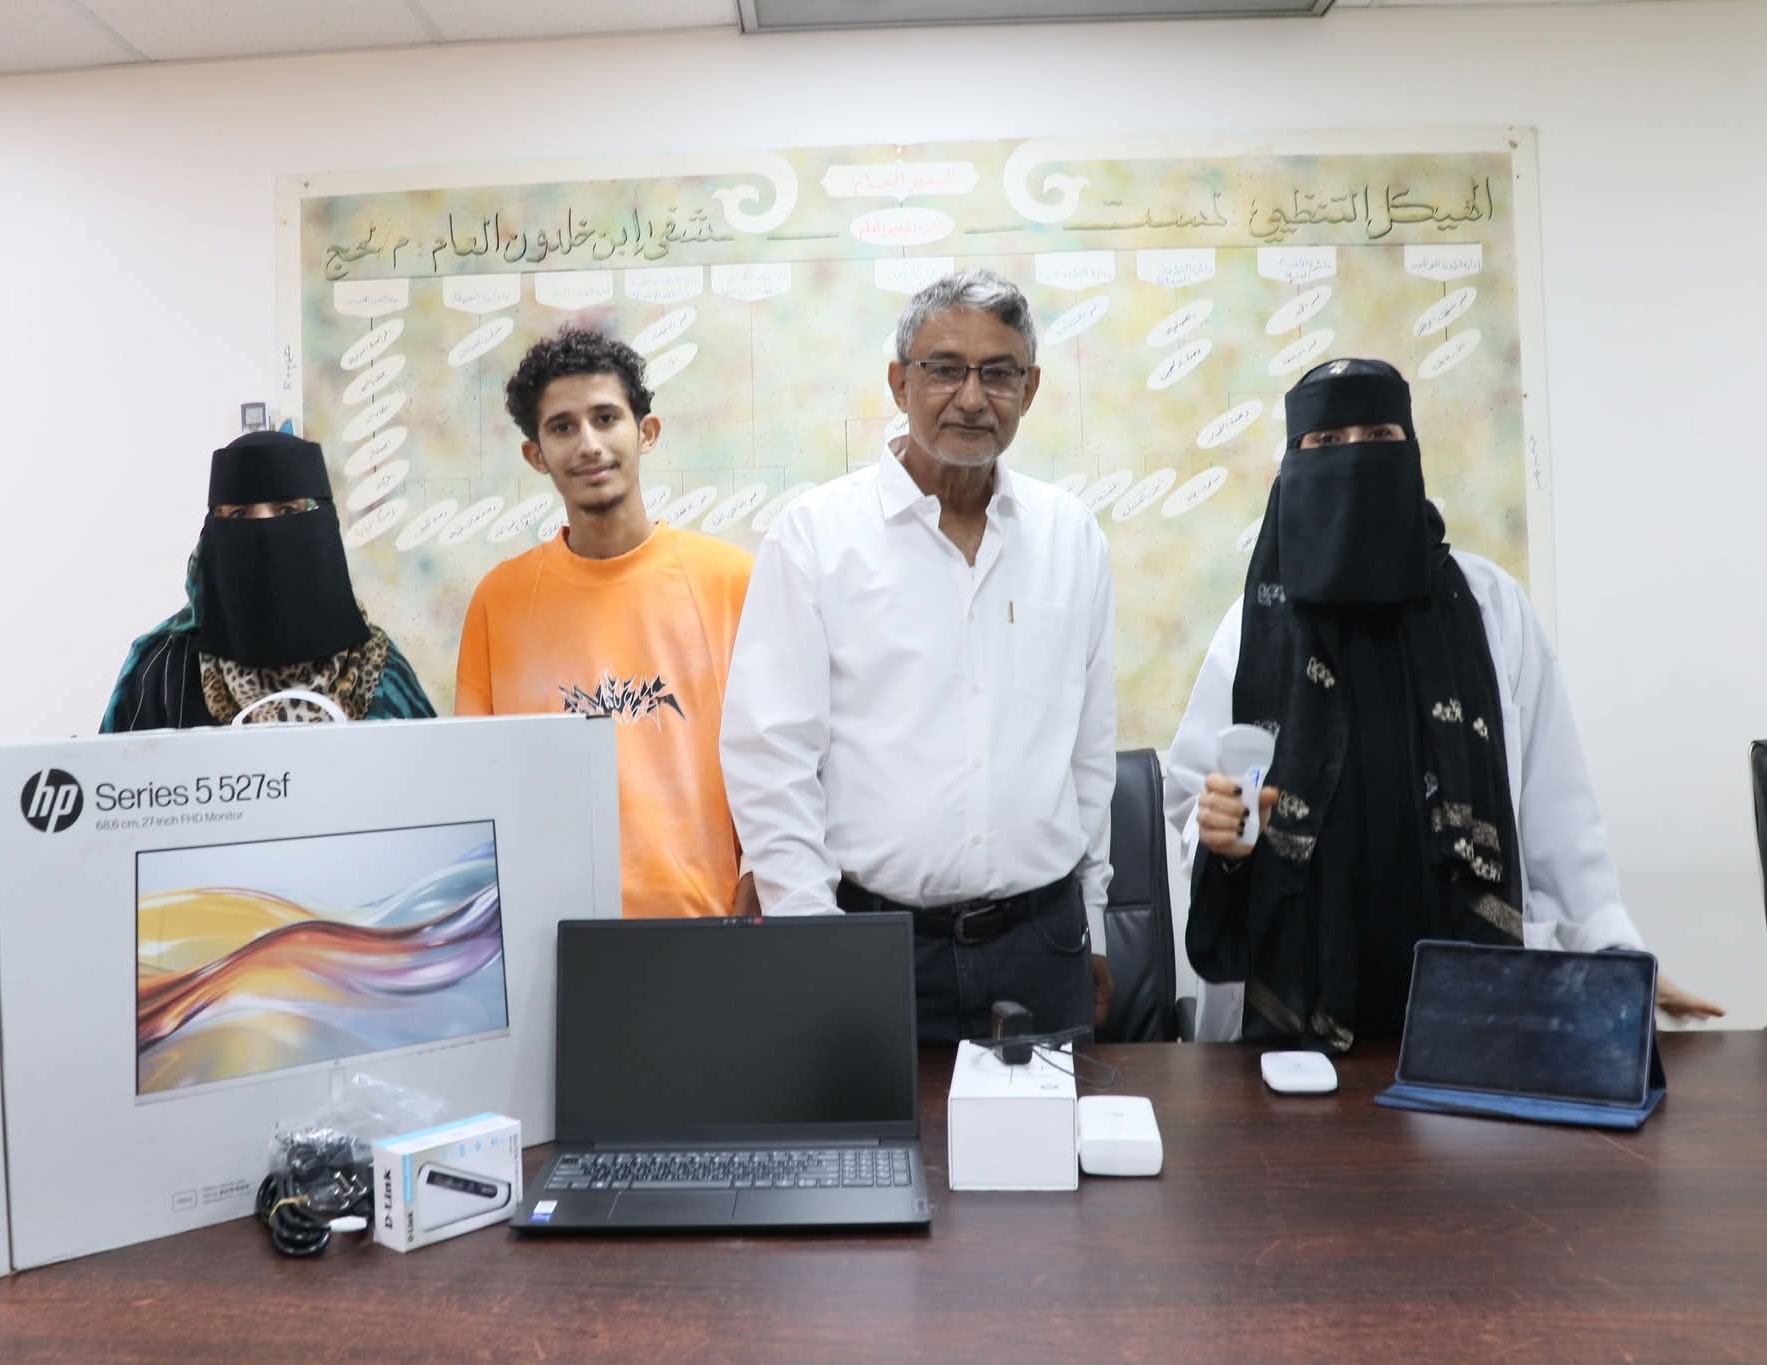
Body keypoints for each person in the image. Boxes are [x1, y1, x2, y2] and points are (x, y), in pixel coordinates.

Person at [1163, 357, 1721, 1049]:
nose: (1356, 458)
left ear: (1413, 451)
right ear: (1293, 464)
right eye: (1328, 442)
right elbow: (1199, 804)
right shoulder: (1255, 629)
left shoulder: (1491, 609)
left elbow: (1559, 820)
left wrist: (1617, 965)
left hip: (1475, 1023)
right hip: (1290, 1026)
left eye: (1379, 435)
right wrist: (1221, 834)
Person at [720, 269, 1117, 1045]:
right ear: (899, 381)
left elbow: (1089, 753)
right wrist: (813, 938)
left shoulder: (1070, 537)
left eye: (997, 373)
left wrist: (1094, 921)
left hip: (1043, 945)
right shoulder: (817, 537)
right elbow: (772, 758)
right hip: (873, 944)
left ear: (1030, 388)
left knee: (1050, 1132)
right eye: (943, 369)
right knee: (875, 1133)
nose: (971, 397)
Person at [456, 328, 756, 921]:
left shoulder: (733, 582)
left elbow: (782, 760)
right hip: (553, 932)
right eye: (562, 427)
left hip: (710, 927)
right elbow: (476, 783)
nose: (588, 444)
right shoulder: (500, 601)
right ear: (536, 455)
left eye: (606, 418)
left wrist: (758, 875)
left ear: (646, 431)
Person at [101, 430, 434, 732]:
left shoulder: (378, 669)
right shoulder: (162, 672)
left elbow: (425, 773)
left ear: (322, 528)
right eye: (239, 515)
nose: (264, 532)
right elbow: (117, 775)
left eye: (287, 511)